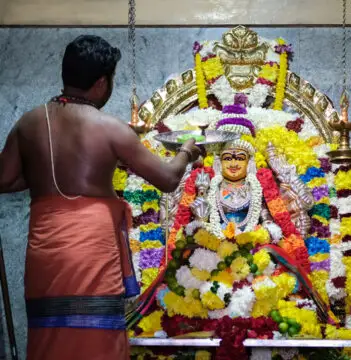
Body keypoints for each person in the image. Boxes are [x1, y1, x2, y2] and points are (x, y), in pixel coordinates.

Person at [0, 35, 201, 360]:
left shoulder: (30, 122)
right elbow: (166, 179)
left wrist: (43, 172)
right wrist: (187, 152)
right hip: (91, 251)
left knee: (50, 335)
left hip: (46, 252)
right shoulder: (110, 128)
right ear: (100, 83)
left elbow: (5, 179)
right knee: (95, 339)